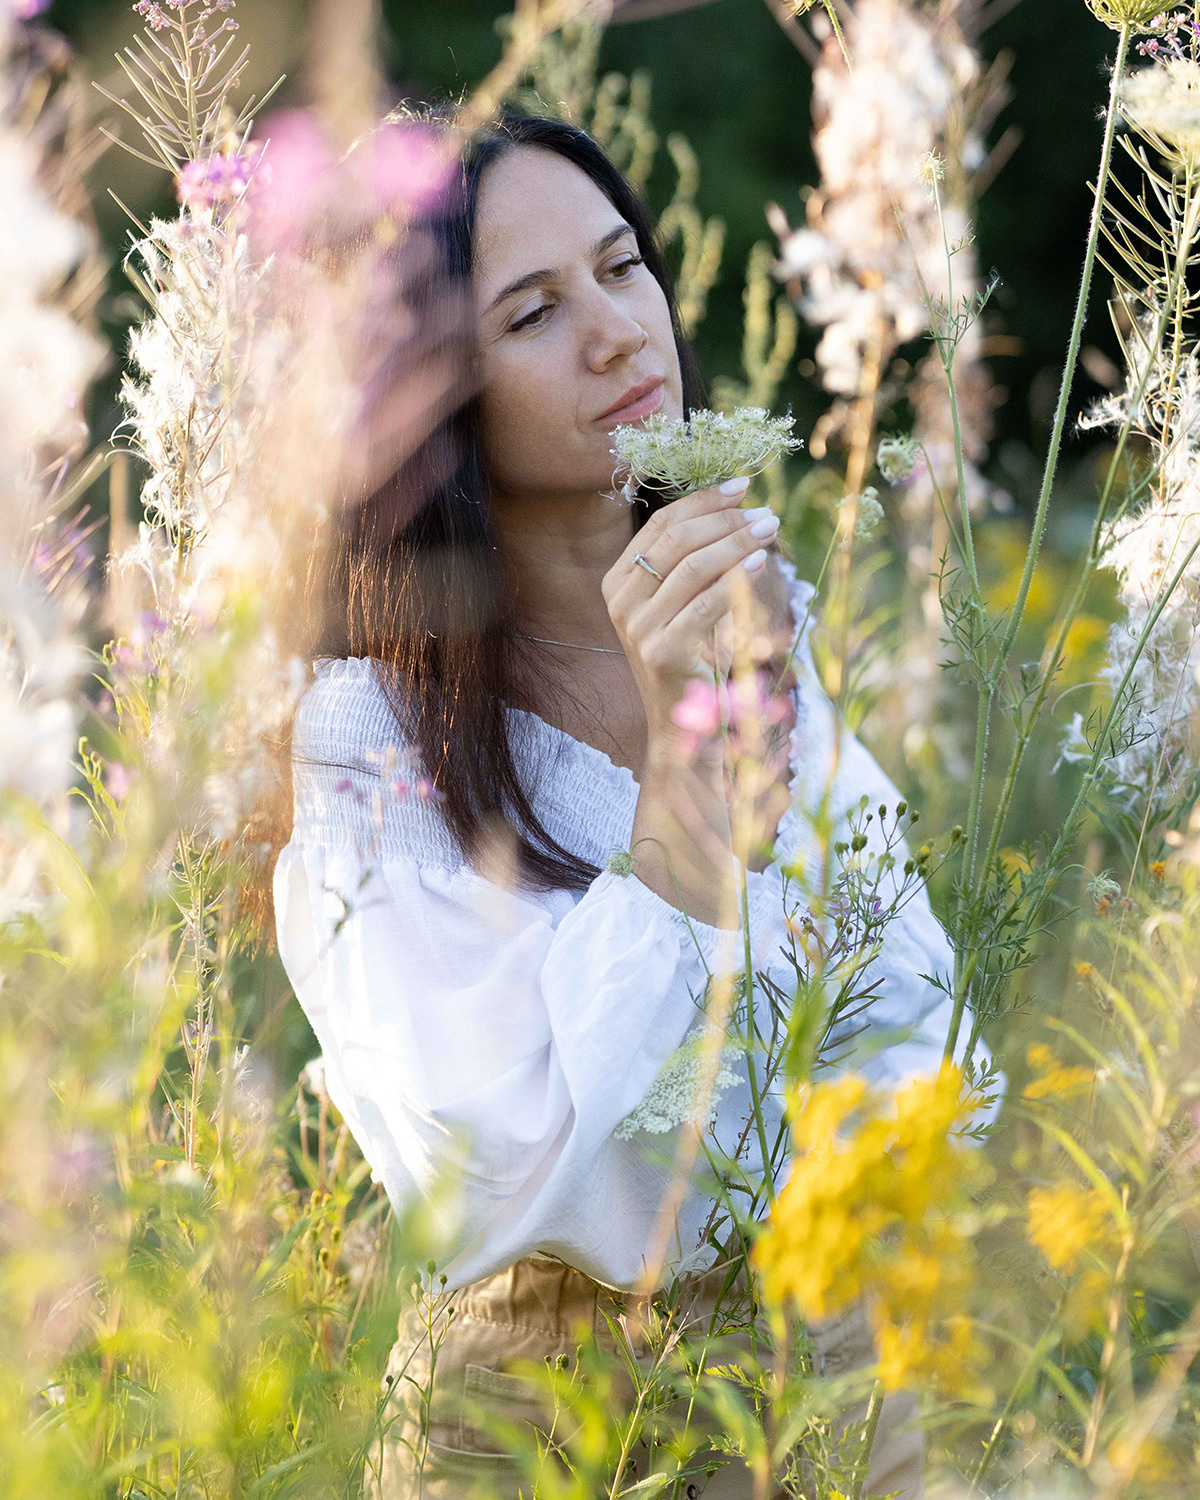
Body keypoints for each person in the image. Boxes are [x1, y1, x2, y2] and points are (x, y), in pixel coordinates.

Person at [272, 107, 964, 1499]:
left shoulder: (754, 617)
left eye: (621, 264)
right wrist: (679, 770)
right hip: (543, 1417)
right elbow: (493, 1173)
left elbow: (903, 983)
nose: (618, 331)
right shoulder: (373, 738)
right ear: (423, 397)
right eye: (531, 313)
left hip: (823, 1373)